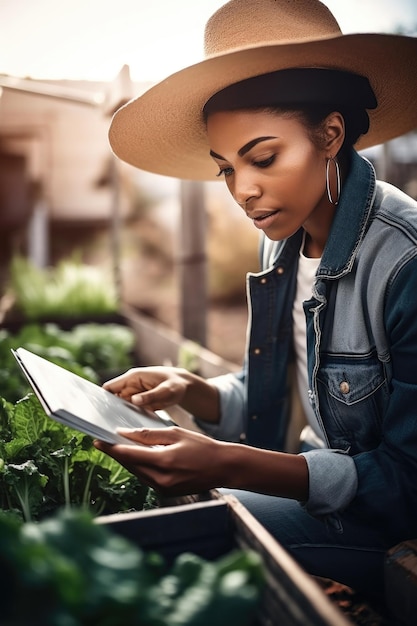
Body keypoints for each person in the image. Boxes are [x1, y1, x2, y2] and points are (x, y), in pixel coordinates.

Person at [94, 0, 417, 600]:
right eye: (226, 169)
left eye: (263, 158)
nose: (243, 192)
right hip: (315, 491)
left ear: (330, 134)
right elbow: (288, 389)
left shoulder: (406, 264)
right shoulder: (285, 242)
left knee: (155, 546)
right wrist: (194, 389)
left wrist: (225, 463)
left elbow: (406, 486)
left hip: (386, 530)